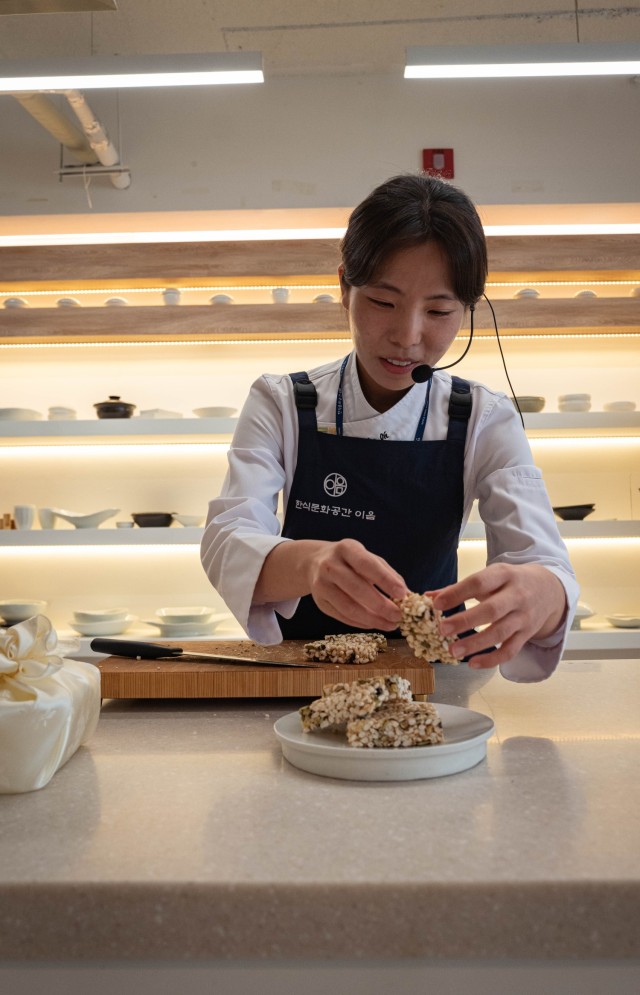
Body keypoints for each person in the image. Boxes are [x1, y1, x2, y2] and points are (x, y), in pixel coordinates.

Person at [201, 173, 578, 683]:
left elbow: (543, 560)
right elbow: (227, 539)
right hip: (296, 682)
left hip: (433, 685)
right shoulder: (284, 402)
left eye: (440, 311)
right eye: (383, 302)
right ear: (343, 288)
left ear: (468, 310)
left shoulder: (485, 418)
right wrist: (312, 566)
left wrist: (542, 593)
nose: (408, 336)